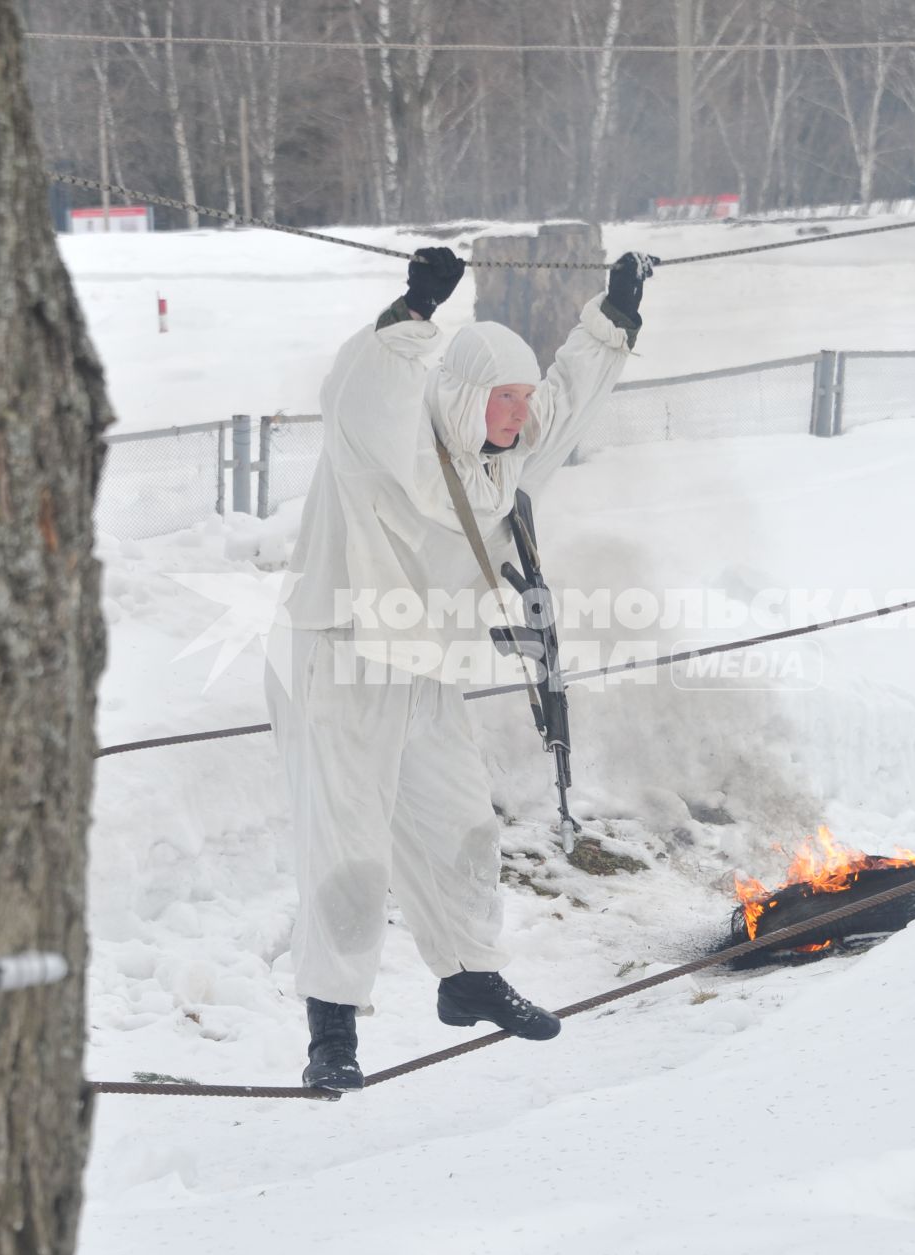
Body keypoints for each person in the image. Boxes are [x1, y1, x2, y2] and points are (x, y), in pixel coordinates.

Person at [266, 245, 655, 1091]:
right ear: (467, 395)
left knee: (461, 824)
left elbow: (567, 397)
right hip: (338, 656)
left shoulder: (507, 459)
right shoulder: (386, 438)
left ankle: (468, 975)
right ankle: (331, 1028)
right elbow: (357, 386)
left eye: (519, 401)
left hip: (425, 669)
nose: (520, 413)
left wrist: (612, 320)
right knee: (350, 845)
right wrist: (412, 312)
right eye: (503, 399)